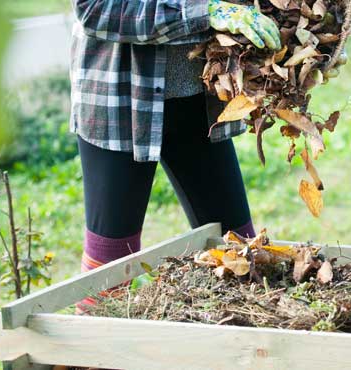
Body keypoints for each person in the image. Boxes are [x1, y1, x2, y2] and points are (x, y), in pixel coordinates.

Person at [69, 0, 281, 312]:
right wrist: (203, 13)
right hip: (121, 104)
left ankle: (240, 353)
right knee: (109, 271)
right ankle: (84, 358)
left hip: (198, 104)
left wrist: (302, 42)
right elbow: (96, 9)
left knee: (239, 251)